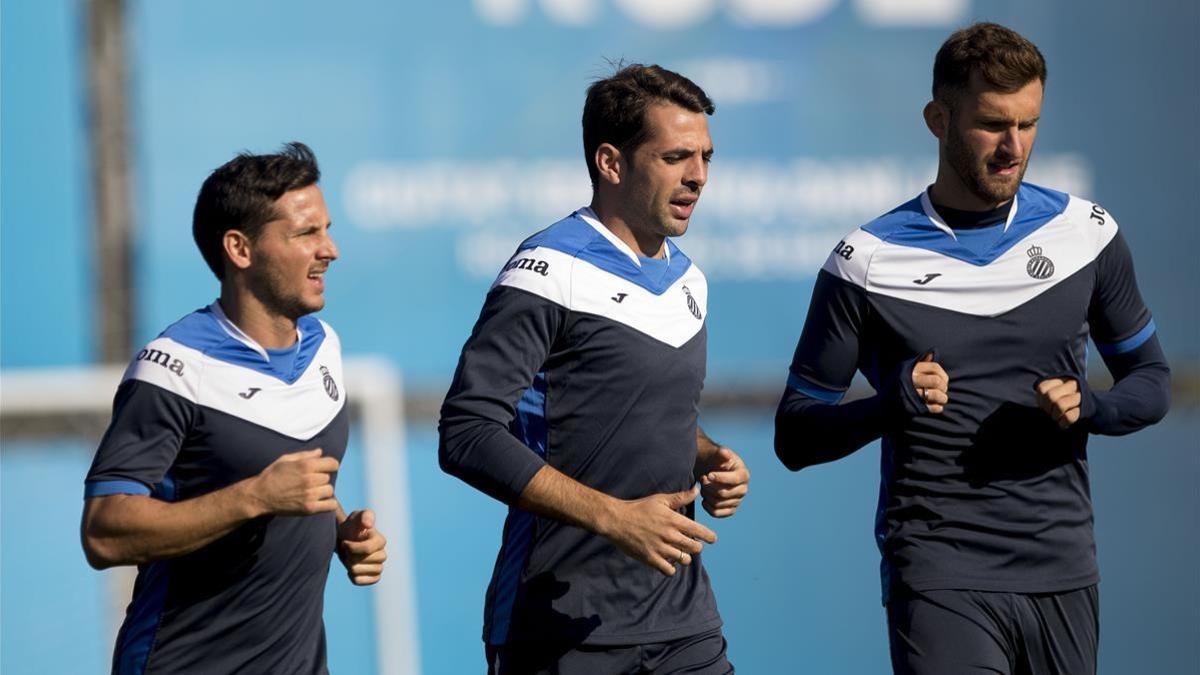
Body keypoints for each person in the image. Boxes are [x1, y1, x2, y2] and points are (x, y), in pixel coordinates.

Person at [774, 23, 1170, 675]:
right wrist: (889, 403)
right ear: (938, 118)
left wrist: (1092, 408)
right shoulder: (865, 261)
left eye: (1028, 124)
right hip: (939, 571)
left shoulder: (1088, 235)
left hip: (1063, 570)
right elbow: (795, 432)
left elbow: (1151, 379)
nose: (1013, 147)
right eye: (992, 124)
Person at [439, 63, 750, 675]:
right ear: (611, 163)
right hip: (561, 627)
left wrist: (707, 455)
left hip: (684, 625)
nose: (699, 177)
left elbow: (633, 415)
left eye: (707, 157)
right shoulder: (548, 270)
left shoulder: (690, 281)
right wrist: (615, 518)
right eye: (676, 157)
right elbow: (466, 432)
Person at [81, 142, 387, 674]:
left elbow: (295, 478)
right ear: (239, 250)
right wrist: (255, 497)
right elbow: (104, 532)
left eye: (327, 228)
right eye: (305, 233)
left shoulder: (323, 345)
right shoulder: (172, 370)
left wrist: (338, 529)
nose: (330, 249)